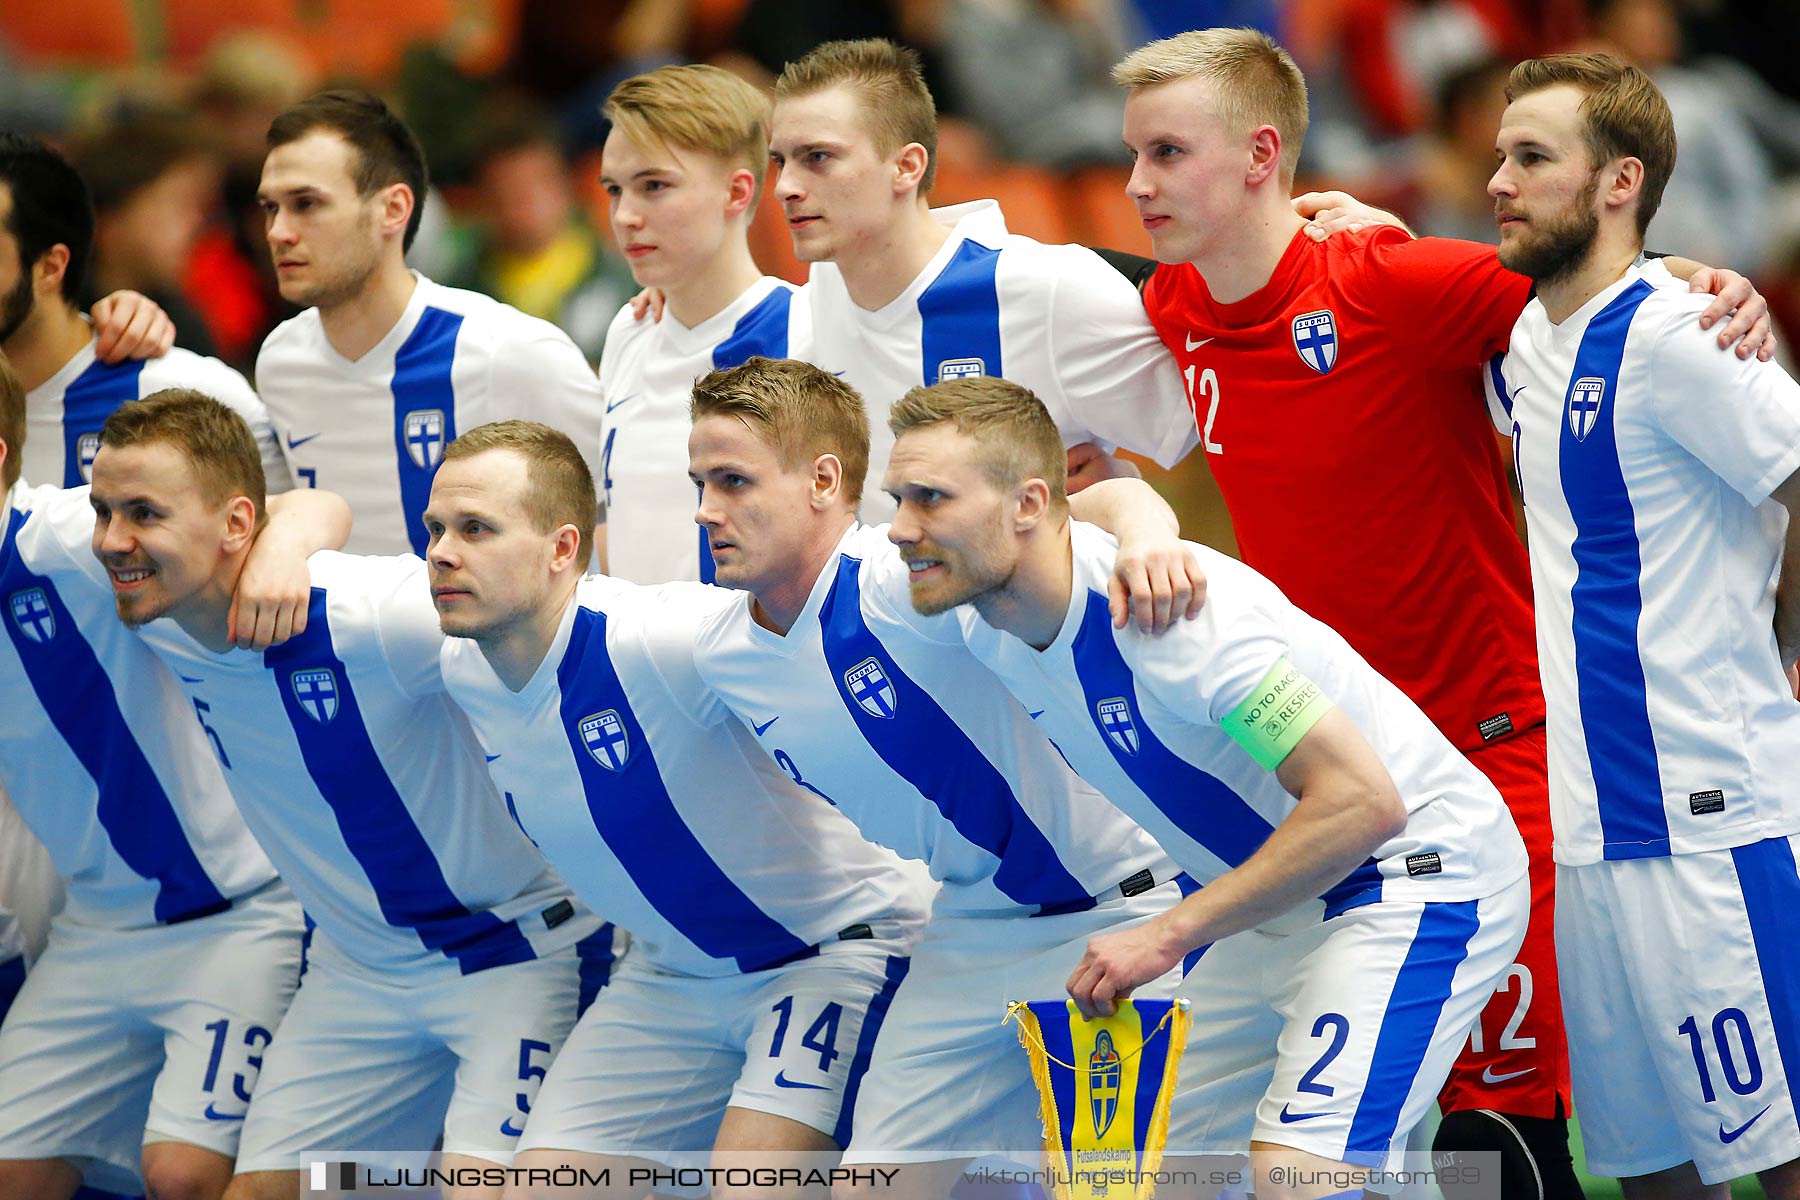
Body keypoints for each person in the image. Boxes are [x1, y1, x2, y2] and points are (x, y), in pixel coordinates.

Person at [1109, 28, 1775, 1198]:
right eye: (1132, 155)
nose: (1136, 185)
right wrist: (1144, 521)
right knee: (1390, 1145)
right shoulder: (1171, 308)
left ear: (1262, 154)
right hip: (1329, 780)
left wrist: (1705, 282)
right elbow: (1063, 457)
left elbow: (1592, 289)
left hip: (1499, 761)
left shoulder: (1394, 282)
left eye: (1167, 153)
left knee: (1507, 1137)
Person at [885, 373, 1530, 1199]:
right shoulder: (982, 604)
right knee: (1151, 1182)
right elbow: (1091, 502)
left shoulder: (1175, 622)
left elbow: (1360, 802)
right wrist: (1141, 512)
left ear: (1026, 506)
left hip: (1404, 879)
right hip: (1268, 909)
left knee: (1299, 1176)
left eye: (929, 498)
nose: (901, 529)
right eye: (899, 497)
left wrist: (1163, 937)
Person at [682, 356, 1206, 1191]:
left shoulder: (904, 574)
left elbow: (1076, 501)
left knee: (1104, 1189)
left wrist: (1149, 536)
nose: (707, 511)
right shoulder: (711, 651)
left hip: (1122, 909)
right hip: (966, 930)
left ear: (824, 480)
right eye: (700, 482)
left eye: (734, 482)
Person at [75, 391, 604, 1200]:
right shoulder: (150, 599)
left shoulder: (369, 614)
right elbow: (283, 502)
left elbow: (560, 615)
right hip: (354, 969)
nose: (113, 541)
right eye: (102, 511)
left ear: (235, 527)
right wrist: (295, 525)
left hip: (514, 954)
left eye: (140, 513)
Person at [424, 420, 929, 1198]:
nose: (442, 553)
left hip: (828, 953)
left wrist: (1132, 529)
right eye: (435, 529)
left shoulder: (662, 636)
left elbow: (886, 582)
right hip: (668, 977)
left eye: (475, 529)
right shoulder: (459, 662)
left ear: (563, 549)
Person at [1485, 53, 1800, 1200]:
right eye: (1498, 154)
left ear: (1619, 182)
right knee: (1654, 1168)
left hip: (1711, 814)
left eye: (1530, 158)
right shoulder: (1525, 339)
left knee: (1782, 1148)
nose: (1496, 180)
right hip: (1592, 830)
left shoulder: (1681, 332)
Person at [0, 354, 320, 1200]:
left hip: (241, 913)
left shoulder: (69, 537)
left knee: (184, 1177)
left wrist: (281, 552)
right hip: (95, 929)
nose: (119, 533)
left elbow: (303, 505)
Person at [768, 38, 1198, 514]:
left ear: (907, 167)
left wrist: (1122, 496)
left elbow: (1209, 436)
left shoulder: (1049, 288)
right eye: (779, 161)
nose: (786, 187)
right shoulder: (814, 302)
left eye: (818, 158)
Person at [253, 89, 604, 556]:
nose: (278, 231)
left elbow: (609, 520)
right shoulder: (281, 362)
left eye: (307, 204)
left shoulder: (514, 353)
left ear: (393, 209)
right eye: (270, 208)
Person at [596, 64, 811, 584]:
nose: (624, 215)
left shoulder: (808, 330)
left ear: (737, 193)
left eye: (653, 185)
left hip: (754, 658)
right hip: (634, 659)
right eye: (614, 189)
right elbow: (613, 517)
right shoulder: (629, 329)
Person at [0, 131, 285, 492]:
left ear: (50, 267)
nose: (195, 224)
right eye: (177, 204)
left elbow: (290, 519)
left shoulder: (190, 390)